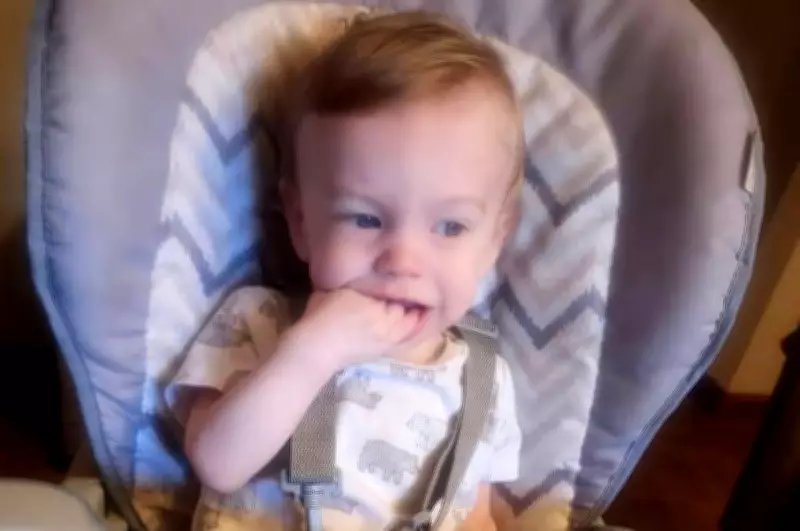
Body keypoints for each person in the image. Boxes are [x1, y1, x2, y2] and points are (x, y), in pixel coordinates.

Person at [166, 10, 525, 531]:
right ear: (301, 223)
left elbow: (476, 514)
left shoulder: (486, 379)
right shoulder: (259, 322)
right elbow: (217, 463)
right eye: (365, 218)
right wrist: (313, 351)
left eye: (450, 227)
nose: (403, 261)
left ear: (495, 241)